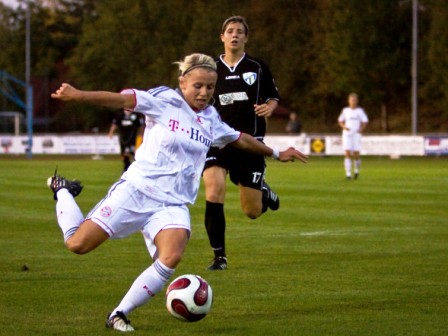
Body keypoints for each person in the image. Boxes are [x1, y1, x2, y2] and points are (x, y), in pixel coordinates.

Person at [49, 53, 308, 332]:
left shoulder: (210, 119)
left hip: (172, 204)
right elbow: (122, 99)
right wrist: (78, 96)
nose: (204, 93)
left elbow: (240, 139)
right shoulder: (164, 100)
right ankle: (63, 191)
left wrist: (278, 152)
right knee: (77, 245)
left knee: (171, 256)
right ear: (182, 82)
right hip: (137, 190)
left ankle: (119, 314)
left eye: (210, 87)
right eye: (198, 86)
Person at [202, 16, 284, 271]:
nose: (234, 35)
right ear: (222, 37)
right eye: (230, 31)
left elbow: (273, 97)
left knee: (252, 211)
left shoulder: (258, 67)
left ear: (246, 38)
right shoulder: (210, 67)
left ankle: (264, 192)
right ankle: (220, 257)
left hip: (250, 142)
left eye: (239, 31)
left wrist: (269, 108)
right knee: (214, 189)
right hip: (217, 141)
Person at [337, 93, 368, 179]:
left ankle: (356, 170)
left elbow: (365, 121)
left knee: (356, 154)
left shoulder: (360, 111)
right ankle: (348, 174)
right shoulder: (345, 110)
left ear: (357, 101)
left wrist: (361, 129)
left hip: (356, 134)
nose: (353, 102)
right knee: (347, 153)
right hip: (347, 134)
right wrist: (344, 127)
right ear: (349, 101)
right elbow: (340, 121)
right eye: (351, 100)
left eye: (354, 100)